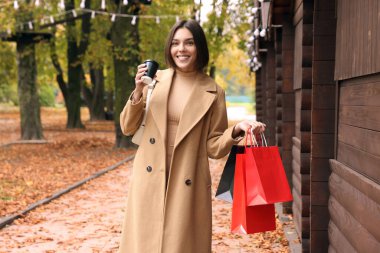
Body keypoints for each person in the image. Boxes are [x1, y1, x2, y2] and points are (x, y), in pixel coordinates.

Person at [118, 19, 266, 253]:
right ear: (169, 48)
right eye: (176, 43)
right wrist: (138, 90)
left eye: (189, 43)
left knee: (180, 245)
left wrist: (236, 130)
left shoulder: (214, 91)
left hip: (187, 180)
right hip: (149, 176)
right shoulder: (154, 80)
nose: (181, 49)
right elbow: (127, 127)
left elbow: (214, 147)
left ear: (199, 48)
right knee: (144, 244)